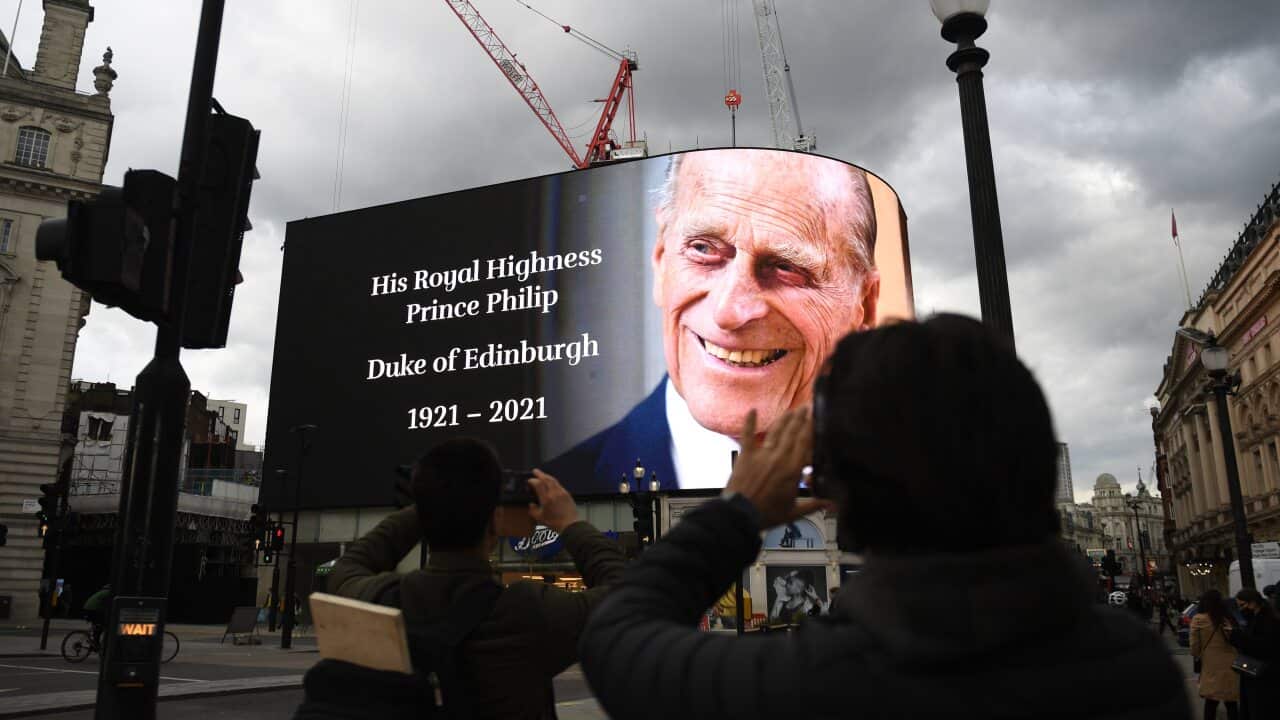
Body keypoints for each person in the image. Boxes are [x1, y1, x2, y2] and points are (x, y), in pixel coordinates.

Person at [579, 315, 1190, 719]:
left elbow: (616, 636)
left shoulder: (816, 685)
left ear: (843, 491)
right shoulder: (1139, 669)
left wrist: (737, 512)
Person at [545, 149, 881, 492]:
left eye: (786, 267)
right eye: (703, 249)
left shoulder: (910, 486)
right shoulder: (550, 498)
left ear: (865, 305)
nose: (728, 311)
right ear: (661, 260)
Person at [325, 438, 624, 719]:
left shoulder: (383, 600)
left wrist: (431, 505)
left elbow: (347, 567)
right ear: (495, 521)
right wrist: (569, 523)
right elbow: (624, 594)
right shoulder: (529, 612)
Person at [1229, 587, 1280, 720]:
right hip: (1255, 674)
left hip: (1264, 677)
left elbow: (1264, 647)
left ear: (1252, 603)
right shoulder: (1255, 618)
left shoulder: (1268, 621)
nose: (1240, 609)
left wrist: (1238, 637)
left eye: (1242, 605)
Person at [1191, 589, 1239, 720]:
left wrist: (1199, 654)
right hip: (1231, 664)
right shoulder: (1228, 619)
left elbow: (1194, 647)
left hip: (1211, 665)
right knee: (1231, 702)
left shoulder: (1198, 619)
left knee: (1211, 701)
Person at [81, 583, 112, 649]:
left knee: (97, 625)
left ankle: (94, 643)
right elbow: (107, 605)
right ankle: (96, 643)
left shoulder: (100, 592)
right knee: (102, 625)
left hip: (87, 609)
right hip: (93, 610)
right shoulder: (108, 593)